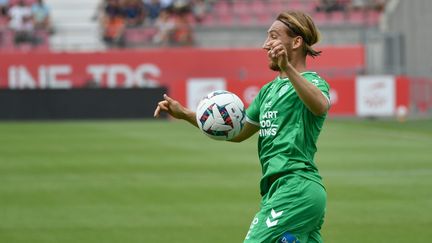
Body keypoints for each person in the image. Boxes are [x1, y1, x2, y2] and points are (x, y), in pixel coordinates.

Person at [154, 10, 330, 243]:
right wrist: (186, 114)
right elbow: (237, 132)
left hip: (296, 187)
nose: (266, 44)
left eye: (274, 36)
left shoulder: (314, 82)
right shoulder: (267, 92)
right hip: (276, 190)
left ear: (296, 42)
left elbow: (320, 106)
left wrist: (288, 68)